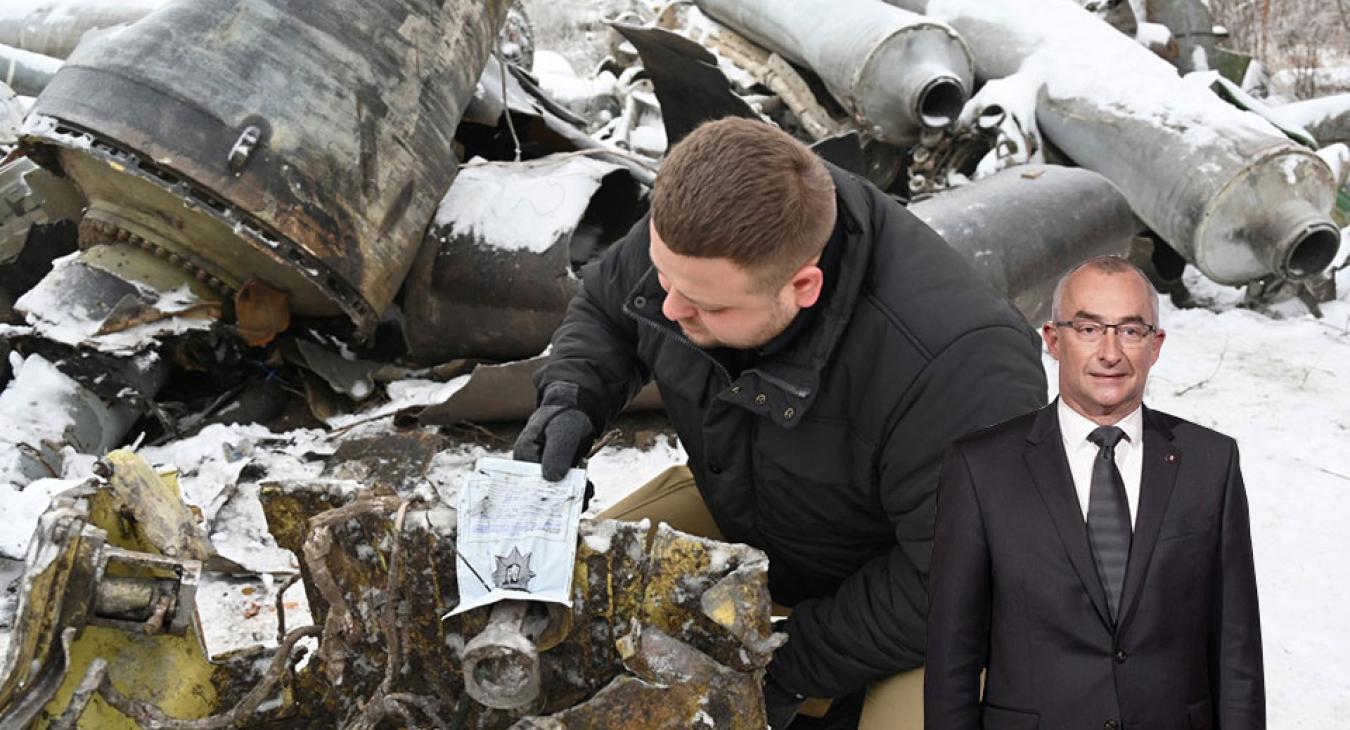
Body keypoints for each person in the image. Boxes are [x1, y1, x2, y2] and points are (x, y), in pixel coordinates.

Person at [514, 117, 1046, 728]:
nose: (668, 307)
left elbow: (953, 581)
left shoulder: (963, 368)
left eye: (707, 306)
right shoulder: (699, 234)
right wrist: (571, 399)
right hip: (756, 499)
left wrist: (782, 668)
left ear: (803, 285)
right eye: (664, 277)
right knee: (564, 600)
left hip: (930, 599)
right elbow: (610, 308)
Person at [925, 256, 1265, 729]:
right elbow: (951, 659)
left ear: (1155, 345)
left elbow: (1237, 648)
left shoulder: (1211, 464)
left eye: (1130, 331)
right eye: (1088, 329)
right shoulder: (980, 468)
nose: (1110, 352)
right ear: (1053, 340)